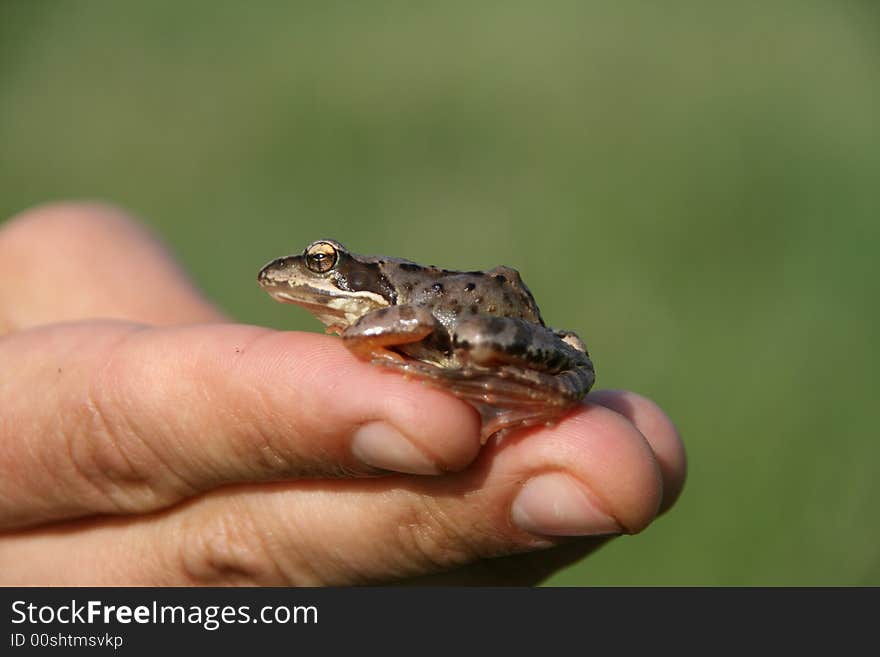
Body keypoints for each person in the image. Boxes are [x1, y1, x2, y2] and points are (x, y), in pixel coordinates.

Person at [0, 202, 686, 585]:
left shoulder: (380, 316)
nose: (313, 272)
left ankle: (527, 399)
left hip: (480, 334)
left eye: (325, 263)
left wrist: (363, 343)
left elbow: (416, 320)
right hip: (496, 354)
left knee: (466, 353)